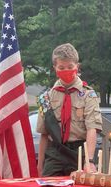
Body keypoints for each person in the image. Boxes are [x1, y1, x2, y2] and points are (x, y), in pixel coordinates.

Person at [36, 43, 102, 177]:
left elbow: (92, 129)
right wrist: (40, 163)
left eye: (70, 67)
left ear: (77, 66)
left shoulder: (88, 95)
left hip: (79, 152)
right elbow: (44, 134)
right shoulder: (46, 97)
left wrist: (89, 160)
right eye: (61, 67)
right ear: (55, 68)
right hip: (55, 153)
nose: (66, 70)